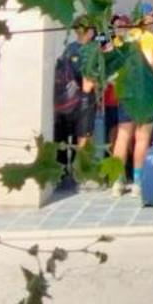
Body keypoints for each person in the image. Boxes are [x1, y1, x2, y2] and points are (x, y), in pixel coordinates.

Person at [110, 6, 153, 194]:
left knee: (123, 136)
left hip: (126, 91)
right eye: (152, 15)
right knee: (142, 137)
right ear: (143, 18)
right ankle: (138, 183)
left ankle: (118, 181)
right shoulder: (146, 37)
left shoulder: (120, 39)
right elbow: (149, 62)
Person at [52, 20, 98, 189]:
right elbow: (89, 80)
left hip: (64, 102)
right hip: (83, 99)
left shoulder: (69, 49)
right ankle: (82, 175)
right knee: (84, 137)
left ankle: (62, 172)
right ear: (90, 32)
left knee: (63, 137)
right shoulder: (90, 50)